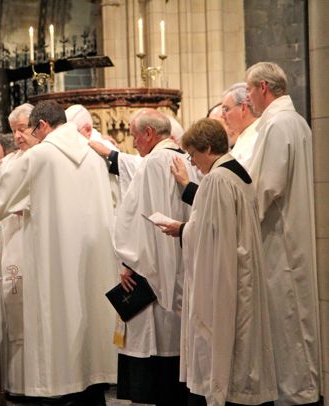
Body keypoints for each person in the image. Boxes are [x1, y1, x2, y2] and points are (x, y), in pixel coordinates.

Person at [0, 100, 118, 404]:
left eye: (30, 129)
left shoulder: (42, 156)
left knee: (58, 334)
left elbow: (3, 195)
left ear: (42, 126)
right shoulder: (93, 157)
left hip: (55, 262)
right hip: (92, 262)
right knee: (88, 337)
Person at [163, 118, 277, 406]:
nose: (192, 162)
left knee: (223, 351)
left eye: (193, 154)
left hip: (224, 281)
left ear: (208, 147)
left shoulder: (217, 179)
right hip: (243, 275)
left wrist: (182, 229)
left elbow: (212, 239)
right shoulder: (237, 173)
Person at [245, 61, 321, 406]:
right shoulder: (297, 122)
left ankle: (295, 396)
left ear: (264, 87)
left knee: (287, 318)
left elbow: (267, 186)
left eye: (249, 90)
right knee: (294, 317)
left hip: (280, 237)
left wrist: (241, 220)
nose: (248, 99)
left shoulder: (278, 124)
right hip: (290, 230)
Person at [113, 109, 195, 405]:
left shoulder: (150, 165)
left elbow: (136, 218)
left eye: (135, 135)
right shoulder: (188, 160)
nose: (133, 143)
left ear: (149, 133)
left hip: (150, 271)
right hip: (182, 265)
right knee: (175, 341)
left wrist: (128, 262)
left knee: (153, 343)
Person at [221, 83, 260, 168]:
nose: (222, 116)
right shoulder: (244, 135)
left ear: (243, 108)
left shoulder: (257, 137)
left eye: (226, 109)